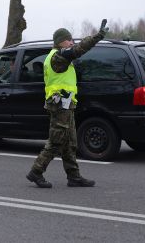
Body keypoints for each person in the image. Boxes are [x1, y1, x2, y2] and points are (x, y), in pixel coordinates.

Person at [26, 19, 109, 188]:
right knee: (56, 141)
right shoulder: (58, 57)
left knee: (70, 142)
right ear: (60, 42)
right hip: (59, 105)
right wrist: (97, 37)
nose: (72, 42)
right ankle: (36, 171)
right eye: (69, 39)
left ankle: (74, 177)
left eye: (72, 39)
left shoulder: (61, 57)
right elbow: (79, 49)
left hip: (66, 104)